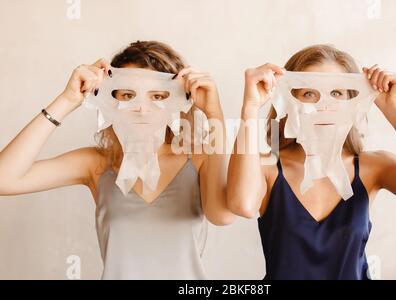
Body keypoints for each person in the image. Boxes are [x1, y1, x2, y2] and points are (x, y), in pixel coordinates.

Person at [0, 40, 235, 280]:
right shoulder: (97, 164)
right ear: (111, 100)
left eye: (157, 95)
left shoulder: (198, 159)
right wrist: (67, 100)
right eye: (128, 95)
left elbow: (222, 215)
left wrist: (214, 113)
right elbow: (4, 180)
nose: (142, 109)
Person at [227, 44, 396, 280]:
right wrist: (250, 108)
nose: (324, 105)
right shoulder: (267, 167)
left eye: (336, 93)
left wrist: (395, 109)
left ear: (354, 100)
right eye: (309, 93)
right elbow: (242, 204)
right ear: (290, 100)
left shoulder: (374, 167)